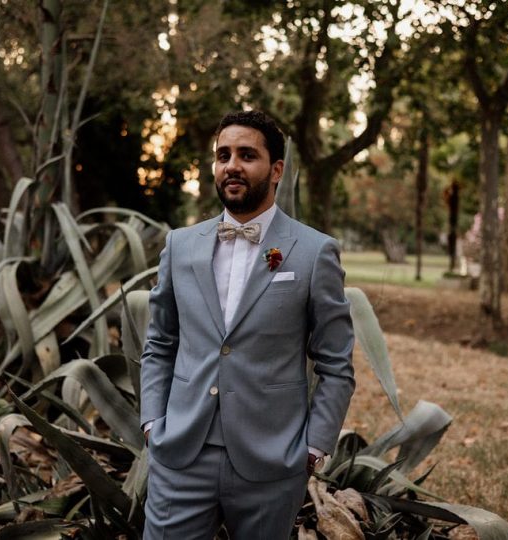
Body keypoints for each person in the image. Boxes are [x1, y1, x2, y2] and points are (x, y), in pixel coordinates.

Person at [140, 110, 355, 539]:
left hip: (272, 462)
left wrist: (312, 448)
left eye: (246, 155)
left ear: (276, 170)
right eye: (223, 155)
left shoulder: (314, 252)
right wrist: (152, 423)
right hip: (181, 453)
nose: (232, 165)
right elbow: (159, 343)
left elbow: (336, 363)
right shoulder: (179, 247)